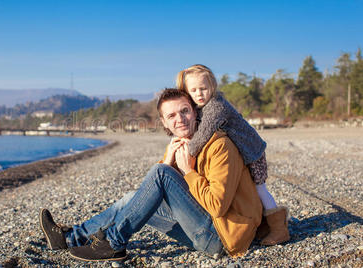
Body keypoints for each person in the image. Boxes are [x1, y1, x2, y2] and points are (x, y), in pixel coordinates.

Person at [39, 88, 262, 262]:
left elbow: (216, 206)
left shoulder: (220, 145)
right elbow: (150, 193)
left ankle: (114, 244)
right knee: (130, 197)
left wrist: (188, 172)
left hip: (223, 238)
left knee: (160, 173)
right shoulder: (180, 147)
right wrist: (168, 162)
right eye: (171, 115)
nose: (180, 119)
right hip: (199, 226)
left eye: (185, 111)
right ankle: (69, 238)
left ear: (195, 112)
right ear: (164, 123)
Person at [176, 64, 290, 245]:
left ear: (212, 87)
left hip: (253, 152)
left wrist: (184, 155)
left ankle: (279, 229)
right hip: (242, 152)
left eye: (203, 89)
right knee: (248, 190)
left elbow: (202, 136)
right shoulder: (201, 107)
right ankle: (263, 225)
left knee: (260, 190)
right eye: (193, 90)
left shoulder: (216, 107)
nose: (199, 94)